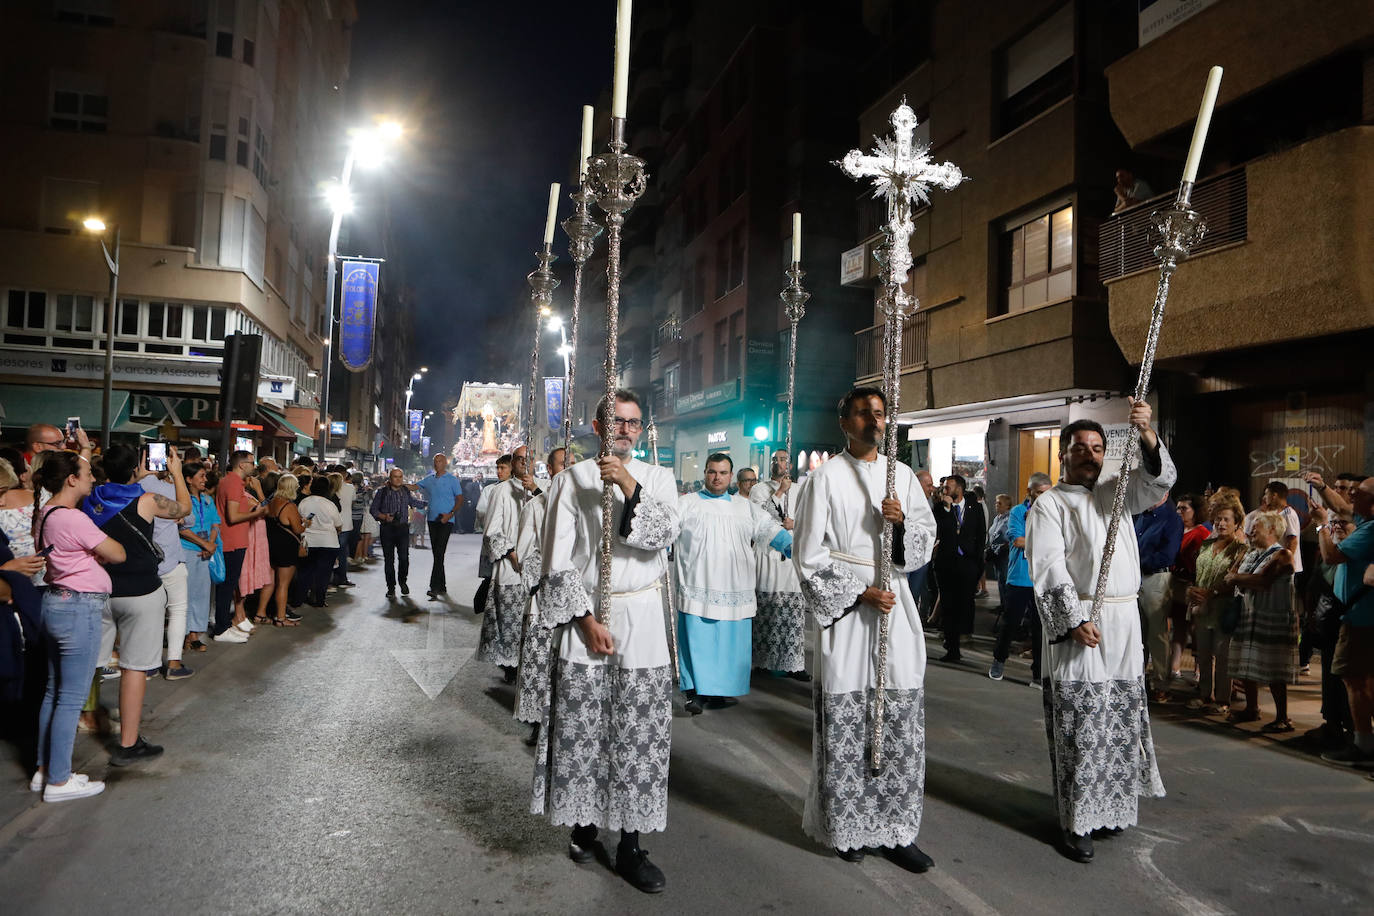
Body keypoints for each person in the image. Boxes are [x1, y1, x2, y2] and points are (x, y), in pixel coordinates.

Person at [532, 389, 679, 894]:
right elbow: (555, 561)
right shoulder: (570, 479)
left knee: (639, 735)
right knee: (587, 728)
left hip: (642, 616)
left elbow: (662, 534)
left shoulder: (660, 478)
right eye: (616, 421)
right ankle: (585, 822)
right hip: (589, 619)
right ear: (597, 427)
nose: (626, 430)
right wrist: (585, 619)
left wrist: (629, 485)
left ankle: (632, 845)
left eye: (634, 423)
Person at [792, 387, 938, 872]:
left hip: (896, 607)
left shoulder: (902, 480)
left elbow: (925, 538)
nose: (874, 421)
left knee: (898, 718)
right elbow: (808, 556)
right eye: (863, 413)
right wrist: (858, 593)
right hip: (851, 615)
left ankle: (897, 830)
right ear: (844, 422)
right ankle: (849, 824)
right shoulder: (826, 478)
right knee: (848, 718)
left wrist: (903, 529)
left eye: (880, 413)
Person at [1026, 400, 1174, 864]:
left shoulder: (1116, 494)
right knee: (1081, 723)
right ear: (1062, 456)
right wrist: (1072, 619)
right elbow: (1048, 566)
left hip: (1124, 620)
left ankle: (1109, 808)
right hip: (1083, 623)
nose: (1089, 455)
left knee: (1118, 721)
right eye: (1079, 448)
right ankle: (1076, 820)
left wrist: (1147, 434)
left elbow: (1159, 483)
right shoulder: (1049, 504)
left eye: (1097, 448)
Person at [84, 444, 190, 766]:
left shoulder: (91, 499)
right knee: (134, 667)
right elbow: (183, 508)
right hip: (140, 592)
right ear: (137, 467)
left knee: (93, 662)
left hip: (100, 590)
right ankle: (128, 743)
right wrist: (176, 472)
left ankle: (85, 718)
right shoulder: (145, 499)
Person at [32, 450, 125, 801]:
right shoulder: (73, 518)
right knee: (70, 699)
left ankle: (46, 770)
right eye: (86, 472)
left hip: (57, 602)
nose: (93, 477)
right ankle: (58, 781)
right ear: (71, 479)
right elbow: (117, 552)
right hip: (78, 608)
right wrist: (97, 552)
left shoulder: (48, 512)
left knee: (54, 693)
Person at [675, 453, 788, 714]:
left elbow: (768, 530)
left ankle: (719, 691)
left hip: (735, 584)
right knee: (697, 641)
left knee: (728, 645)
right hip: (698, 583)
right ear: (704, 473)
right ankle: (696, 692)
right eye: (712, 472)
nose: (717, 477)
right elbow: (666, 529)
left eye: (723, 473)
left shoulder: (744, 506)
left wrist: (795, 547)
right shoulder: (687, 503)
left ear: (731, 475)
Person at [1313, 477, 1374, 767]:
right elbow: (1342, 507)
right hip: (1357, 614)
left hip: (1360, 619)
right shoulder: (1365, 519)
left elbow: (1332, 555)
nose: (1351, 497)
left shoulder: (1370, 530)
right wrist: (1322, 486)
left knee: (1355, 680)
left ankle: (1363, 745)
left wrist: (1322, 525)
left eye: (1358, 494)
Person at [1224, 511, 1299, 730]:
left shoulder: (1282, 554)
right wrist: (1237, 575)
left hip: (1272, 616)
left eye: (1257, 526)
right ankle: (1251, 708)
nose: (1251, 530)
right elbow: (1235, 572)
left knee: (1274, 666)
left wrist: (1236, 578)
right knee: (1248, 663)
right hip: (1251, 614)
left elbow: (1263, 580)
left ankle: (1282, 717)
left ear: (1272, 530)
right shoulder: (1252, 553)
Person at [513, 446, 567, 746]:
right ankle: (539, 720)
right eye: (562, 464)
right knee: (542, 661)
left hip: (581, 603)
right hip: (545, 598)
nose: (568, 468)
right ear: (549, 470)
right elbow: (524, 554)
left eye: (572, 463)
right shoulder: (536, 508)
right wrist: (548, 580)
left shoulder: (591, 506)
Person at [750, 448, 809, 680]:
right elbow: (759, 519)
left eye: (783, 459)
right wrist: (778, 494)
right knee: (767, 608)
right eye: (775, 459)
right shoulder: (759, 489)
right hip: (767, 555)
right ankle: (762, 661)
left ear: (791, 465)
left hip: (790, 556)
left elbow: (809, 518)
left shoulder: (801, 490)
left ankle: (793, 664)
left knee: (792, 611)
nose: (778, 463)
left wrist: (795, 524)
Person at [481, 446, 539, 682]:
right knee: (510, 620)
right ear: (513, 462)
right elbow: (491, 531)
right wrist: (512, 554)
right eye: (520, 459)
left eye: (529, 459)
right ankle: (511, 667)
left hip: (538, 567)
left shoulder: (542, 488)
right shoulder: (502, 491)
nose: (525, 463)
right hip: (511, 568)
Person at [1186, 493, 1247, 713]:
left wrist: (1210, 593)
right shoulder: (1206, 544)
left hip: (1223, 607)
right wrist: (1193, 593)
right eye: (1218, 519)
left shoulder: (1241, 549)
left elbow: (1233, 579)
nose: (1221, 523)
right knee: (1202, 653)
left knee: (1223, 656)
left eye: (1227, 520)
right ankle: (1204, 695)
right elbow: (1198, 574)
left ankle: (1223, 700)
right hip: (1201, 607)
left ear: (1237, 523)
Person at [989, 474, 1051, 683]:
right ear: (1029, 492)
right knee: (1010, 623)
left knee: (1040, 628)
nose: (1044, 497)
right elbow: (1018, 541)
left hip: (1043, 579)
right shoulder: (1017, 512)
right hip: (1019, 577)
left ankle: (1038, 673)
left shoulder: (1053, 512)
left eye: (1047, 493)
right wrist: (1049, 544)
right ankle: (999, 660)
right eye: (1040, 493)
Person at [140, 460, 193, 680]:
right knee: (177, 611)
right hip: (170, 559)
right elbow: (189, 518)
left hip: (142, 562)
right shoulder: (168, 488)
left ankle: (147, 665)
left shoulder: (134, 487)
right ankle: (173, 662)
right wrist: (178, 473)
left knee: (148, 615)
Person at [930, 473, 985, 663]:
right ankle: (952, 648)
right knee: (949, 605)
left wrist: (979, 565)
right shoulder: (939, 508)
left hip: (968, 563)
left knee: (965, 603)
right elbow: (940, 529)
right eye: (944, 487)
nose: (944, 490)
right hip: (947, 563)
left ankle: (963, 635)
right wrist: (946, 508)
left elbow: (980, 536)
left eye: (947, 487)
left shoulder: (975, 508)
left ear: (959, 489)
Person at [214, 451, 268, 642]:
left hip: (232, 539)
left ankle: (224, 625)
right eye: (252, 463)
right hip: (232, 540)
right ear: (242, 465)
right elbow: (233, 516)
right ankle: (221, 628)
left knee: (227, 586)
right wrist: (256, 513)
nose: (254, 466)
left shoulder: (228, 481)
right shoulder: (234, 483)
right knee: (227, 586)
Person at [1135, 492, 1183, 699]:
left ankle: (1161, 683)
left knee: (1157, 633)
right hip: (1136, 578)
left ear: (1165, 494)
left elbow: (1168, 554)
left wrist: (1138, 560)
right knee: (1137, 634)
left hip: (1156, 579)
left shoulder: (1171, 519)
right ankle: (1137, 679)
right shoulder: (1141, 515)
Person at [1166, 494, 1210, 683]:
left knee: (1195, 629)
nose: (1179, 512)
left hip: (1193, 584)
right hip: (1177, 584)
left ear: (1196, 512)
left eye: (1184, 508)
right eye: (1178, 508)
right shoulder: (1177, 529)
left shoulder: (1200, 532)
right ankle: (1174, 667)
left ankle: (1200, 669)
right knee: (1179, 627)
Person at [177, 461, 220, 651]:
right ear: (188, 479)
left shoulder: (207, 500)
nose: (205, 479)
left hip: (204, 552)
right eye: (201, 476)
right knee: (185, 594)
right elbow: (182, 529)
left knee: (201, 594)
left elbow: (215, 524)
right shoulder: (182, 500)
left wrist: (211, 543)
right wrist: (205, 544)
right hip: (187, 550)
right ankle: (183, 633)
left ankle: (195, 633)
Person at [370, 467, 425, 598]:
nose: (398, 479)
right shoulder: (382, 492)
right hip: (387, 529)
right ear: (390, 478)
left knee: (404, 558)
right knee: (389, 560)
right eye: (395, 476)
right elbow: (373, 510)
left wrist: (430, 503)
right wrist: (384, 517)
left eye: (400, 477)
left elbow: (414, 502)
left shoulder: (405, 491)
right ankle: (391, 587)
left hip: (402, 528)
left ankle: (403, 582)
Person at [416, 452, 465, 599]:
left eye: (440, 461)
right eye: (435, 461)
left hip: (446, 520)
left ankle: (434, 587)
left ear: (445, 463)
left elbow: (460, 499)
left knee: (439, 553)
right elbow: (414, 486)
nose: (437, 464)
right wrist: (397, 482)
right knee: (437, 554)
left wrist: (450, 514)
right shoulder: (429, 479)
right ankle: (442, 586)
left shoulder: (452, 480)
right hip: (432, 520)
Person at [264, 473, 306, 625]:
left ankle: (261, 613)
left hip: (272, 545)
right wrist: (306, 524)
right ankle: (281, 617)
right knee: (283, 584)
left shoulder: (272, 502)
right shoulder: (289, 506)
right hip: (286, 548)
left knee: (270, 582)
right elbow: (298, 529)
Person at [299, 476, 344, 607]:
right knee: (324, 574)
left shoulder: (304, 502)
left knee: (306, 571)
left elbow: (300, 520)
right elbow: (338, 524)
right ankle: (319, 599)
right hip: (328, 543)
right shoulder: (329, 504)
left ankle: (300, 598)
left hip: (309, 542)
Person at [330, 467, 358, 588]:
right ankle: (341, 578)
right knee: (342, 552)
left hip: (331, 524)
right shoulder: (350, 488)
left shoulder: (330, 487)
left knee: (332, 552)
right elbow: (352, 503)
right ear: (345, 475)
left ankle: (331, 579)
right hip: (345, 524)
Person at [987, 494, 1012, 611]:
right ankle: (1003, 604)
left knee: (1005, 579)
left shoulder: (1009, 519)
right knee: (1000, 580)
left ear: (1007, 506)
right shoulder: (997, 518)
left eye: (999, 503)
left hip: (1004, 555)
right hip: (996, 554)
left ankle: (1008, 606)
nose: (996, 505)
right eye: (996, 503)